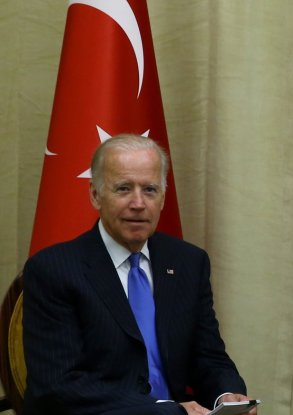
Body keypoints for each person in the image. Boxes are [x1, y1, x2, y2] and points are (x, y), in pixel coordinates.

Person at [23, 134, 257, 415]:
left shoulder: (188, 262)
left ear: (163, 198)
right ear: (95, 195)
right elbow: (58, 386)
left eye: (149, 190)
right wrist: (165, 411)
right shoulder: (53, 270)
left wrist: (226, 394)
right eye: (123, 189)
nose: (138, 203)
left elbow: (208, 356)